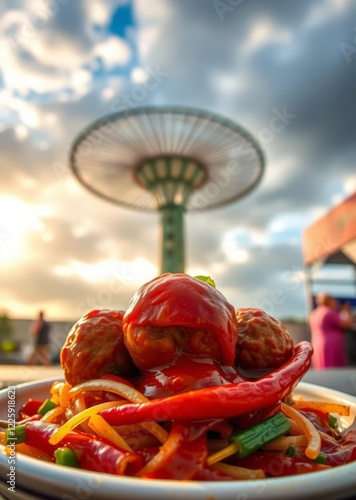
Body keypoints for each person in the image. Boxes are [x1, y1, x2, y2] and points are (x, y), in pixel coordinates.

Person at [309, 293, 352, 370]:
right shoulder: (329, 312)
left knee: (322, 368)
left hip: (317, 344)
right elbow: (346, 324)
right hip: (331, 347)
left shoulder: (314, 313)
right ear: (329, 301)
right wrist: (347, 311)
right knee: (334, 370)